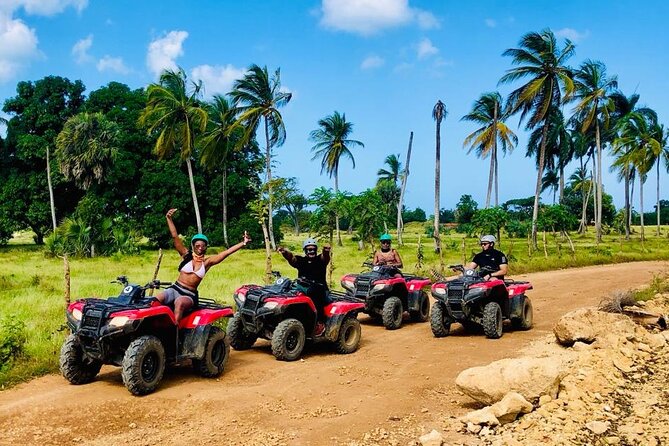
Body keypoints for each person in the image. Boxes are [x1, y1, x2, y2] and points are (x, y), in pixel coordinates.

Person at [156, 208, 251, 322]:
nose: (200, 248)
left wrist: (243, 243)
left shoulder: (207, 262)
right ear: (193, 246)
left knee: (179, 303)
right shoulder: (186, 256)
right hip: (175, 288)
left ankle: (174, 335)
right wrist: (169, 218)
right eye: (197, 246)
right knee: (155, 300)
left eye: (203, 246)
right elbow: (175, 236)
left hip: (189, 295)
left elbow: (226, 252)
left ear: (206, 247)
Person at [278, 238, 331, 332]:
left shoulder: (320, 260)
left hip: (320, 289)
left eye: (313, 249)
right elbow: (291, 258)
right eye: (309, 249)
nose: (311, 251)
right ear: (305, 250)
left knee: (315, 293)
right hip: (303, 288)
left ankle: (320, 323)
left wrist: (325, 251)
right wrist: (285, 252)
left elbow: (325, 257)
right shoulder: (301, 260)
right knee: (287, 291)